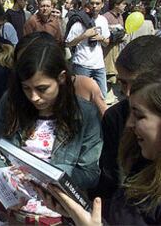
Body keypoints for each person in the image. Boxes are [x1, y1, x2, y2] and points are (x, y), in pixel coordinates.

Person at [0, 33, 102, 221]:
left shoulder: (85, 115)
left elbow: (90, 174)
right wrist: (3, 177)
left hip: (59, 214)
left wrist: (48, 174)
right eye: (26, 88)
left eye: (42, 89)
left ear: (62, 78)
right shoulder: (11, 103)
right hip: (12, 208)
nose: (34, 97)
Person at [36, 69, 161, 225]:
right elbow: (116, 215)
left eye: (139, 115)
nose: (129, 123)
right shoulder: (142, 165)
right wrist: (75, 212)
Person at [94, 35, 161, 200]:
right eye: (123, 83)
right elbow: (108, 178)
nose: (129, 93)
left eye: (138, 84)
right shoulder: (115, 116)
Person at [66, 0, 110, 98]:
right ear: (88, 4)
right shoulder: (79, 21)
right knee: (81, 97)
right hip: (82, 64)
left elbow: (107, 43)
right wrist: (84, 36)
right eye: (92, 3)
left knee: (102, 96)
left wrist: (101, 38)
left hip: (99, 65)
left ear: (102, 4)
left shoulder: (103, 20)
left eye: (97, 3)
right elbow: (68, 43)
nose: (94, 6)